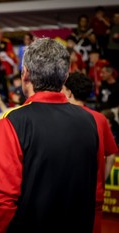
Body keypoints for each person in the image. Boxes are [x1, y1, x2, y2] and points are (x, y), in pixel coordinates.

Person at [0, 38, 99, 233]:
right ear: (66, 76)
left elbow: (1, 197)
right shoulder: (88, 119)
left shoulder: (14, 121)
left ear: (25, 73)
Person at [62, 72, 118, 233]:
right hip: (94, 192)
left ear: (69, 92)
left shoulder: (60, 117)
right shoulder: (100, 119)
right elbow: (111, 154)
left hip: (65, 192)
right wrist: (102, 178)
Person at [0, 27, 17, 96]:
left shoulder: (6, 42)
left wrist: (5, 54)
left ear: (2, 34)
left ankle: (8, 100)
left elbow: (12, 54)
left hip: (4, 69)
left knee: (5, 86)